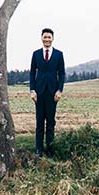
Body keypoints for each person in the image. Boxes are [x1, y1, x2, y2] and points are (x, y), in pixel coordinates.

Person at [29, 27, 65, 157]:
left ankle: (50, 148)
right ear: (41, 38)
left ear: (53, 39)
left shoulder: (59, 54)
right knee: (39, 121)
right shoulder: (36, 54)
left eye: (49, 37)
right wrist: (32, 90)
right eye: (45, 37)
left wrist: (60, 90)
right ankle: (38, 149)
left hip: (52, 93)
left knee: (50, 122)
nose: (47, 39)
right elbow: (32, 73)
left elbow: (62, 73)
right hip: (39, 93)